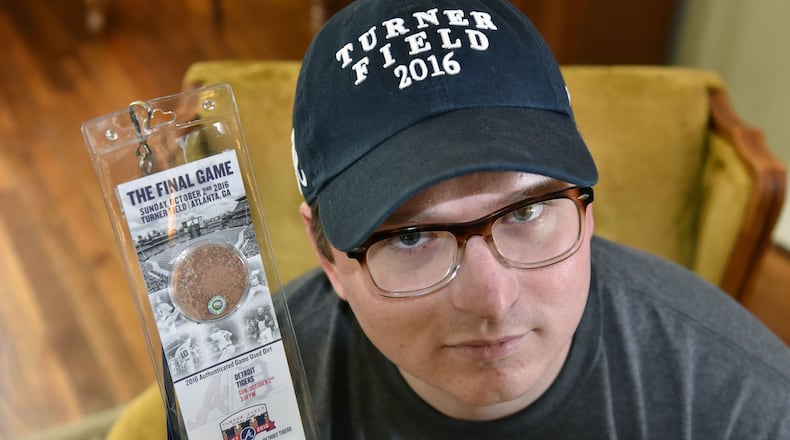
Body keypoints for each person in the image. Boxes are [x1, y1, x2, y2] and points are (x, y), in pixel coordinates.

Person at [165, 0, 790, 438]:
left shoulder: (745, 406)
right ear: (327, 256)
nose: (493, 300)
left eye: (526, 211)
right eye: (411, 236)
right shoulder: (234, 401)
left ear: (587, 209)